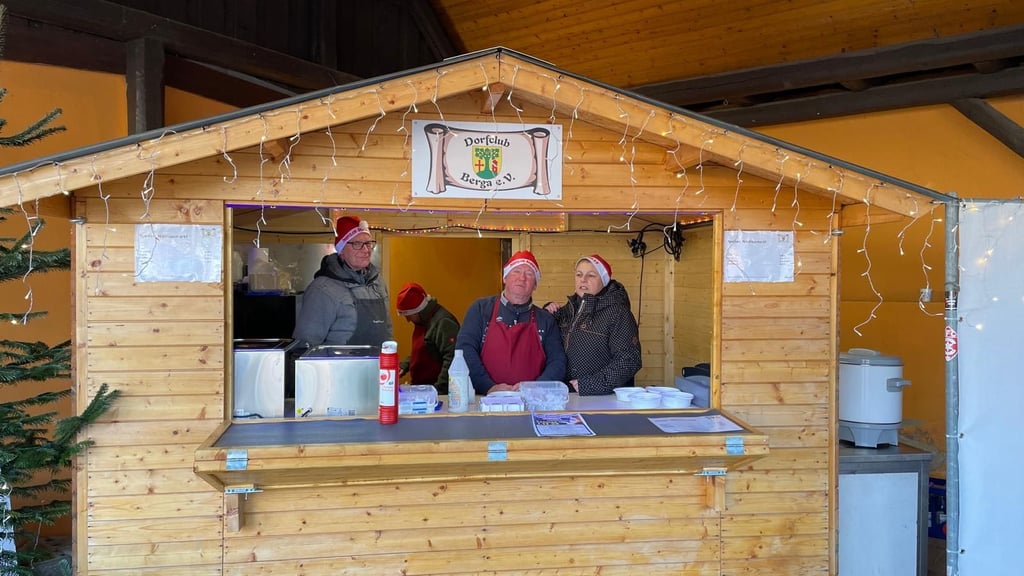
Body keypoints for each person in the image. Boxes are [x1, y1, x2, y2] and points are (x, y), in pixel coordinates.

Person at [455, 250, 567, 395]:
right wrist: (488, 387)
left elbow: (557, 362)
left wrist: (535, 389)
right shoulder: (481, 309)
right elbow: (465, 350)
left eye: (529, 274)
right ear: (505, 278)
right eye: (516, 271)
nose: (522, 278)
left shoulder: (546, 320)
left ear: (535, 285)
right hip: (484, 399)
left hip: (532, 401)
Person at [545, 254, 641, 396]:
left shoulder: (617, 313)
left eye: (591, 275)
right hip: (568, 395)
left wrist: (591, 384)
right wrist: (548, 312)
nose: (583, 279)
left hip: (604, 399)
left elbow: (629, 360)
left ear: (604, 281)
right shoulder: (569, 310)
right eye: (579, 274)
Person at [292, 215, 391, 348]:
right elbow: (305, 345)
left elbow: (387, 330)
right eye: (357, 244)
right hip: (340, 362)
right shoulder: (322, 289)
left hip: (378, 361)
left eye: (368, 243)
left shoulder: (377, 282)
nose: (366, 250)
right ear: (341, 250)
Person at [395, 282, 461, 394]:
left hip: (438, 392)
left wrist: (438, 391)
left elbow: (452, 359)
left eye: (409, 316)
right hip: (423, 389)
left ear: (418, 311)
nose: (408, 320)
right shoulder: (422, 321)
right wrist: (404, 365)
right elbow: (424, 349)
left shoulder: (443, 323)